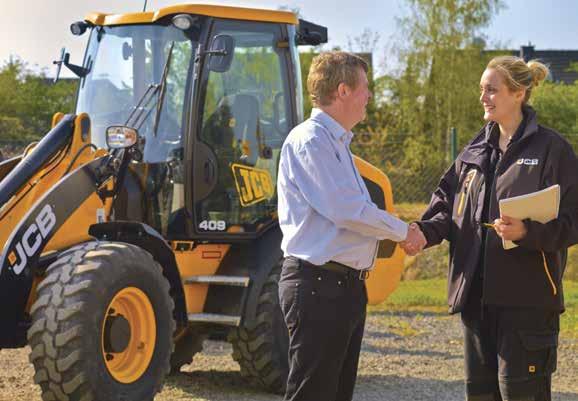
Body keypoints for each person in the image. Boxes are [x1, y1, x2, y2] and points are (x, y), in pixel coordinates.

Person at [411, 56, 578, 401]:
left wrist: (527, 233)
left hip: (527, 306)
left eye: (492, 90)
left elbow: (573, 221)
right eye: (482, 89)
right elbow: (446, 208)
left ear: (518, 93)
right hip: (477, 304)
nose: (483, 97)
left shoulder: (552, 150)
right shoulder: (473, 152)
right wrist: (421, 232)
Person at [276, 51, 426, 401]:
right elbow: (347, 210)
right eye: (364, 88)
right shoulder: (311, 140)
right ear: (343, 91)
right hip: (318, 284)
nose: (369, 96)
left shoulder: (335, 142)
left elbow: (352, 210)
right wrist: (404, 232)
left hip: (341, 287)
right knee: (313, 393)